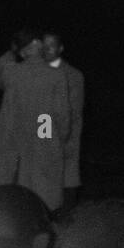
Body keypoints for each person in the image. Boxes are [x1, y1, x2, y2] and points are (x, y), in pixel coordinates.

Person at [0, 28, 71, 213]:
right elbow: (63, 116)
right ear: (35, 46)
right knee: (43, 194)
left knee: (12, 193)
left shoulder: (11, 72)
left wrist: (12, 51)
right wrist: (59, 139)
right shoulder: (57, 75)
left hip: (13, 139)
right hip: (44, 137)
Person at [42, 32, 84, 212]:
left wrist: (59, 137)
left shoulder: (73, 75)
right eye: (44, 45)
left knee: (66, 181)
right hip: (40, 137)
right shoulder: (35, 72)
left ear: (60, 48)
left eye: (51, 45)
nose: (47, 49)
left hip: (65, 138)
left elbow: (73, 111)